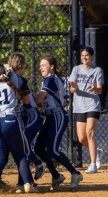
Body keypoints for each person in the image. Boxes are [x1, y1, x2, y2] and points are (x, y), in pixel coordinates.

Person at [0, 64, 35, 194]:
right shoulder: (11, 85)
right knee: (20, 155)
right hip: (9, 119)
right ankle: (27, 184)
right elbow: (26, 101)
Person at [35, 55, 83, 190]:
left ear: (52, 67)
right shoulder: (48, 80)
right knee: (38, 148)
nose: (41, 67)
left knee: (53, 150)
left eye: (44, 65)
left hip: (58, 116)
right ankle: (56, 176)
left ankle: (75, 173)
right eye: (40, 65)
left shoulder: (50, 80)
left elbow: (39, 100)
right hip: (50, 117)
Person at [6, 52, 43, 193]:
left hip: (32, 114)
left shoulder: (17, 79)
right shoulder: (15, 78)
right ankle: (25, 182)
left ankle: (36, 166)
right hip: (26, 115)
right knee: (21, 148)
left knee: (23, 147)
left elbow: (27, 103)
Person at [69, 47, 104, 173]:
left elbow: (100, 89)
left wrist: (94, 87)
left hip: (92, 105)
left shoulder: (97, 70)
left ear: (92, 57)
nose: (84, 57)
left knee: (90, 132)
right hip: (79, 106)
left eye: (87, 55)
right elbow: (72, 90)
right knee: (82, 138)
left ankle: (93, 164)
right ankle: (96, 151)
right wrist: (73, 86)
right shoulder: (76, 69)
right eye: (82, 55)